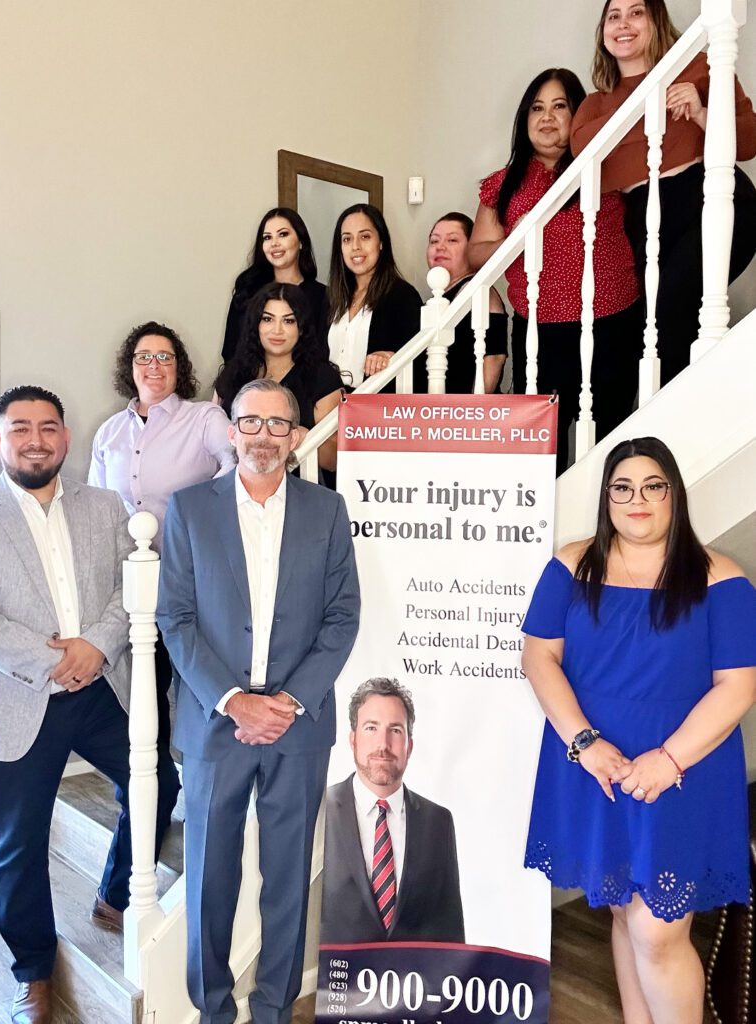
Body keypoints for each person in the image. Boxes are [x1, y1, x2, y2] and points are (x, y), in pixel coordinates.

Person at [0, 386, 180, 1024]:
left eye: (48, 428)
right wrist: (52, 660)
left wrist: (96, 647)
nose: (36, 440)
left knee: (159, 781)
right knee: (19, 841)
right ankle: (33, 974)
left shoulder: (105, 506)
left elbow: (133, 584)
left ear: (66, 438)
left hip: (100, 687)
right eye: (21, 429)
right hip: (17, 697)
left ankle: (116, 894)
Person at [521, 435, 756, 1024]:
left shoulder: (721, 577)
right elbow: (538, 657)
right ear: (607, 498)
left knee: (657, 931)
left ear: (674, 494)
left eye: (653, 486)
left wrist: (668, 760)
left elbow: (739, 687)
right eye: (622, 488)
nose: (637, 500)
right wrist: (584, 743)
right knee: (624, 910)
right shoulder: (571, 564)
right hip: (596, 765)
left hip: (683, 772)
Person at [157, 378, 360, 1024]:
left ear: (296, 437)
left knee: (288, 877)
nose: (263, 436)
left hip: (299, 727)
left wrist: (290, 701)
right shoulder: (190, 509)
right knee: (209, 876)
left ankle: (274, 1008)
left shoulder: (327, 511)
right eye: (251, 422)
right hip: (215, 723)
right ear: (231, 431)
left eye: (277, 424)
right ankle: (213, 1010)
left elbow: (342, 617)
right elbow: (175, 619)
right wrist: (233, 700)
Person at [571, 0, 756, 387]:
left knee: (671, 305)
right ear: (603, 33)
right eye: (614, 16)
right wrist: (652, 100)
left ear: (656, 21)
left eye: (636, 12)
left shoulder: (698, 67)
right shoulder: (595, 105)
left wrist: (702, 112)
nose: (624, 24)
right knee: (660, 323)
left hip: (708, 196)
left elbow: (748, 141)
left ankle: (681, 410)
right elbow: (584, 153)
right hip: (645, 215)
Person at [469, 68, 644, 476]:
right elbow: (476, 254)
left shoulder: (607, 167)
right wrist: (517, 237)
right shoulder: (503, 184)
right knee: (542, 451)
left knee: (610, 441)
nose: (547, 117)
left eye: (559, 106)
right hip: (540, 333)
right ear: (524, 119)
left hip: (612, 321)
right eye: (537, 108)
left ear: (577, 114)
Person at [89, 321, 234, 766]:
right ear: (130, 367)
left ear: (179, 367)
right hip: (130, 581)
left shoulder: (203, 418)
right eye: (144, 357)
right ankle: (156, 777)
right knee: (143, 682)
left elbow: (237, 466)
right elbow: (95, 506)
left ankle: (201, 771)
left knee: (195, 677)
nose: (154, 365)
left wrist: (198, 516)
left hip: (191, 575)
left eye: (165, 357)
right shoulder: (110, 432)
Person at [320, 677, 465, 945]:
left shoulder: (438, 822)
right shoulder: (319, 812)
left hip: (414, 971)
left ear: (410, 745)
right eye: (371, 728)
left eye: (395, 730)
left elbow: (450, 929)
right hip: (333, 970)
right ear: (353, 740)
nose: (383, 745)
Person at [214, 282, 342, 472]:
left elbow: (335, 460)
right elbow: (213, 438)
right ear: (256, 325)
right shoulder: (233, 374)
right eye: (268, 319)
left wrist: (303, 437)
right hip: (236, 481)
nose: (277, 330)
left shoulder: (323, 378)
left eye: (288, 321)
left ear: (301, 328)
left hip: (297, 484)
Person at [327, 203, 422, 387]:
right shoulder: (332, 296)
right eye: (347, 239)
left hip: (374, 401)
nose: (355, 246)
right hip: (329, 401)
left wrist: (391, 356)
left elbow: (418, 358)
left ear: (381, 243)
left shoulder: (403, 296)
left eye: (365, 237)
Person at [221, 208, 328, 361]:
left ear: (301, 242)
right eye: (267, 237)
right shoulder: (248, 290)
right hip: (248, 374)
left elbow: (322, 352)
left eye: (283, 234)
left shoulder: (322, 296)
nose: (274, 243)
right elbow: (231, 350)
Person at [418, 212, 507, 394]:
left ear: (471, 249)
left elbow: (494, 357)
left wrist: (475, 406)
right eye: (434, 241)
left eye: (452, 240)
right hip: (434, 406)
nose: (440, 247)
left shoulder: (480, 291)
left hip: (466, 408)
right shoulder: (435, 299)